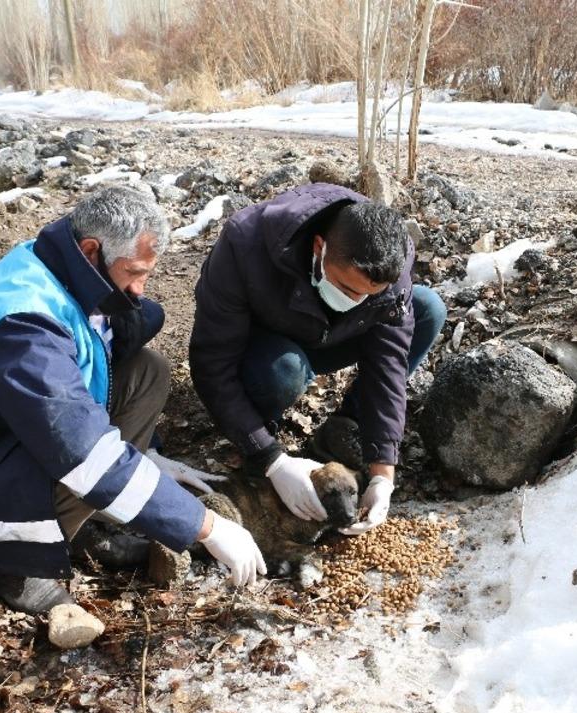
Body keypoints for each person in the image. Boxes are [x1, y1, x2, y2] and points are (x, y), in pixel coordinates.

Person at [0, 186, 266, 614]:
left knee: (148, 371)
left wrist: (148, 455)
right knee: (86, 462)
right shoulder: (23, 326)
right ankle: (17, 564)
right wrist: (205, 527)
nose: (139, 288)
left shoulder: (59, 262)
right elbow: (85, 455)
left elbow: (98, 355)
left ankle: (82, 517)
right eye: (134, 272)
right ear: (91, 250)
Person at [190, 183, 446, 534]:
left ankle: (344, 429)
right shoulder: (245, 243)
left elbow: (389, 366)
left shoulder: (392, 263)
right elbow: (211, 361)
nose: (358, 299)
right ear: (318, 248)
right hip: (267, 344)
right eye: (348, 289)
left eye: (369, 295)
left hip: (336, 335)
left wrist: (382, 472)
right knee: (283, 372)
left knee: (427, 308)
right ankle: (262, 432)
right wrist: (270, 459)